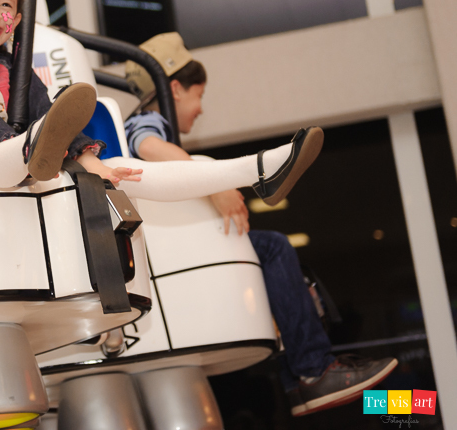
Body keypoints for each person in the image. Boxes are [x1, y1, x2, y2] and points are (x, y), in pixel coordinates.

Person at [123, 32, 398, 416]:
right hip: (181, 256)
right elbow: (146, 146)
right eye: (199, 95)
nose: (201, 109)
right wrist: (216, 185)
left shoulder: (153, 125)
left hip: (185, 249)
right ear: (175, 89)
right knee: (274, 248)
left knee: (289, 274)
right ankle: (313, 372)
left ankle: (306, 376)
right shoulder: (147, 122)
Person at [0, 0, 321, 208]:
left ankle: (258, 169)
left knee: (126, 172)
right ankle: (32, 149)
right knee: (12, 152)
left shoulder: (15, 66)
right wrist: (35, 145)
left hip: (34, 171)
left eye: (6, 5)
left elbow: (46, 112)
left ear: (19, 20)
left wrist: (90, 160)